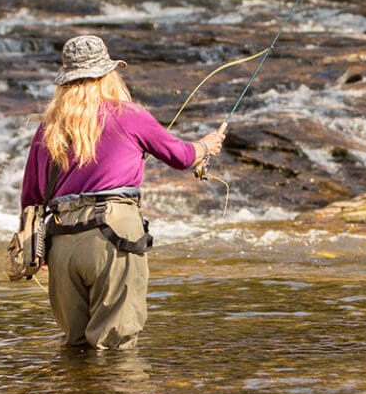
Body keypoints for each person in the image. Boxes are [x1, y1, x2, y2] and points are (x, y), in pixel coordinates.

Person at [21, 34, 226, 350]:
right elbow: (181, 157)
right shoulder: (130, 114)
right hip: (114, 236)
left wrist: (38, 249)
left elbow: (31, 198)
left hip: (61, 243)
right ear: (107, 74)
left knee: (74, 346)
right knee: (115, 347)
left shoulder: (48, 127)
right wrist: (205, 146)